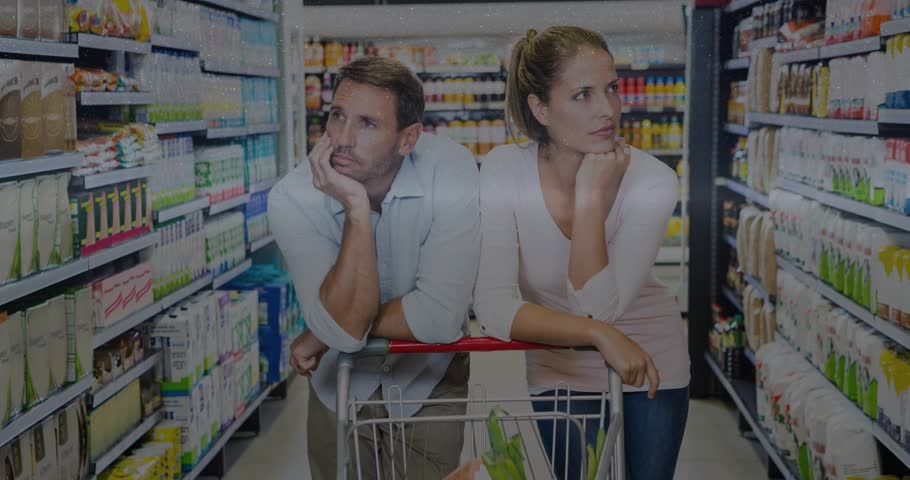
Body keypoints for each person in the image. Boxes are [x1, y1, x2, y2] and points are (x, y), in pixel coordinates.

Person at [472, 26, 690, 479]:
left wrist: (590, 199)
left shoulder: (652, 180)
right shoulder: (502, 170)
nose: (608, 109)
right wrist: (597, 337)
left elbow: (601, 310)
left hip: (650, 364)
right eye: (583, 95)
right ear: (540, 108)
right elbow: (492, 307)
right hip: (559, 370)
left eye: (611, 88)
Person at [269, 56, 480, 480]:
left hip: (430, 378)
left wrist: (322, 332)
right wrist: (356, 208)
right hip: (339, 387)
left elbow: (439, 319)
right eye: (337, 116)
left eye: (367, 124)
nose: (343, 139)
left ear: (408, 139)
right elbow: (344, 330)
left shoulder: (451, 170)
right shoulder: (292, 198)